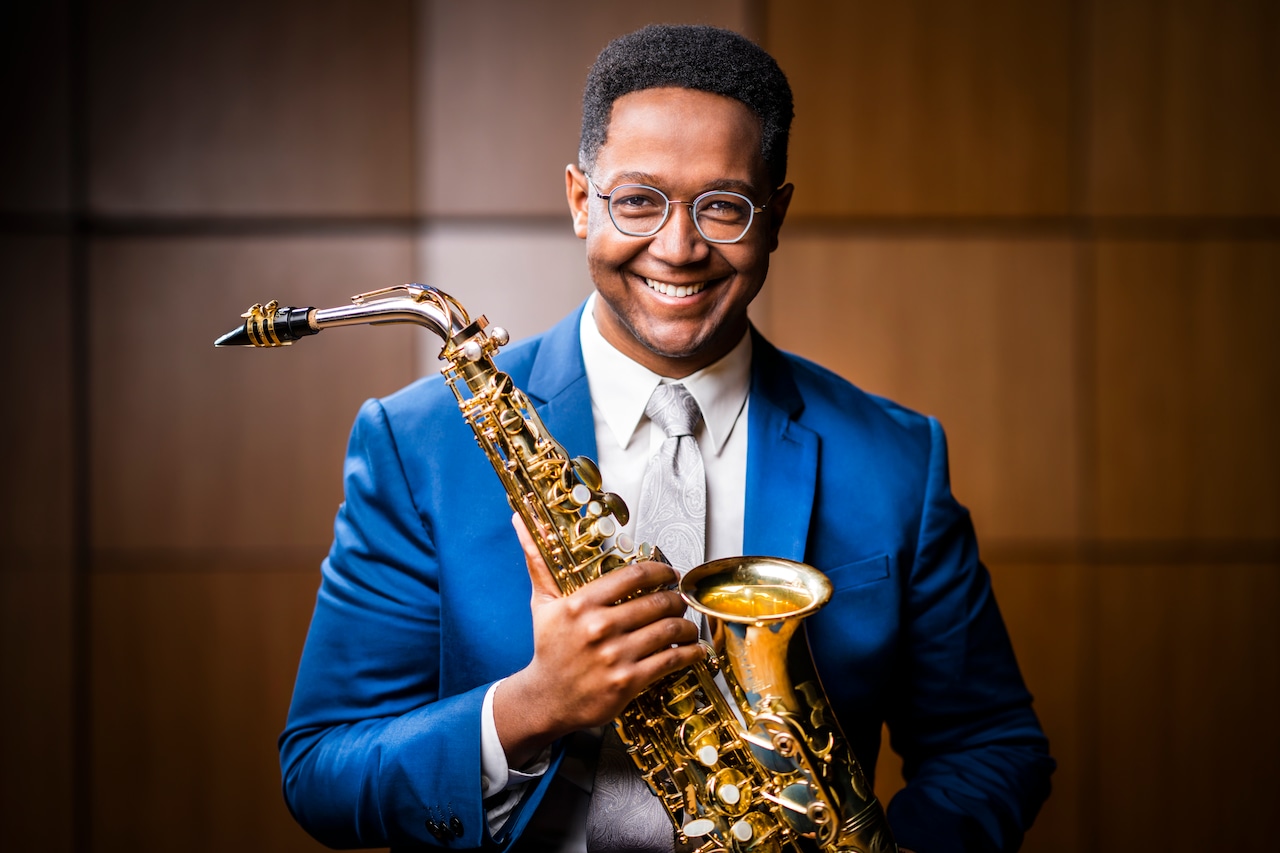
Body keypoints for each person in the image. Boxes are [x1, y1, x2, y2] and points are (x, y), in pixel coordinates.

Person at [279, 24, 1054, 853]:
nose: (679, 249)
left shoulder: (897, 458)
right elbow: (322, 769)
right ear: (582, 201)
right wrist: (533, 706)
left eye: (723, 206)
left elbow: (991, 743)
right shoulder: (414, 442)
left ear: (777, 215)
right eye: (638, 200)